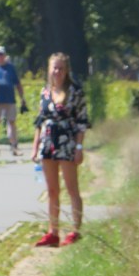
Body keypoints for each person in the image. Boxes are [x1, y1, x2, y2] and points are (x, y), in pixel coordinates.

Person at [31, 52, 90, 247]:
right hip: (48, 143)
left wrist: (79, 147)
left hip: (67, 143)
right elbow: (39, 121)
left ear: (66, 71)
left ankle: (75, 230)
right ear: (49, 70)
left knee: (72, 188)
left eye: (61, 68)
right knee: (52, 190)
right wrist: (35, 147)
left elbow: (82, 122)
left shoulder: (75, 92)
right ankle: (53, 231)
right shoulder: (45, 92)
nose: (57, 72)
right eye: (54, 68)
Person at [0, 45, 27, 158]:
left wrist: (22, 98)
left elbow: (17, 84)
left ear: (5, 55)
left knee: (12, 122)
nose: (0, 56)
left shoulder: (10, 68)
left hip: (9, 99)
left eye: (1, 54)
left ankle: (14, 146)